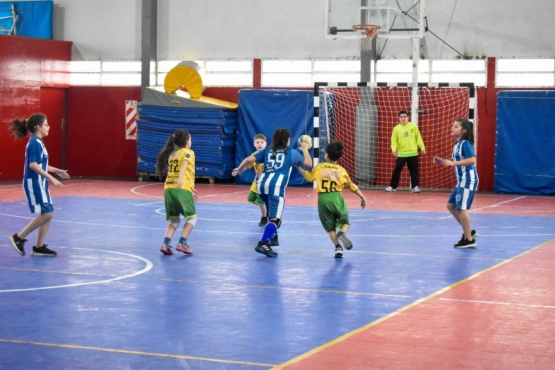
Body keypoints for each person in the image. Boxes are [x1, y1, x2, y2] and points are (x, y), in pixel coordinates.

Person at [232, 128, 312, 257]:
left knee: (270, 213)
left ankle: (273, 237)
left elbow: (248, 159)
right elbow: (308, 163)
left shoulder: (266, 151)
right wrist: (305, 150)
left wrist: (239, 169)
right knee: (275, 220)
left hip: (261, 185)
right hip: (276, 187)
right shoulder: (291, 153)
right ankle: (263, 243)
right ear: (288, 140)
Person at [7, 113, 70, 257]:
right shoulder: (35, 142)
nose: (49, 127)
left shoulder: (38, 142)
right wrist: (52, 178)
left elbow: (42, 165)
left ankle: (39, 247)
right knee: (47, 213)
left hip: (40, 182)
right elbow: (33, 165)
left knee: (48, 213)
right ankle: (18, 238)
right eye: (46, 124)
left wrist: (56, 171)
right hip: (34, 182)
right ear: (38, 127)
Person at [297, 141, 367, 258]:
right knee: (345, 222)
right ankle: (343, 233)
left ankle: (338, 248)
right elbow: (351, 186)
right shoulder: (341, 170)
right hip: (336, 198)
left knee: (330, 227)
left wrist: (299, 167)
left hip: (323, 200)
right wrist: (362, 197)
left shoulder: (319, 167)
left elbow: (309, 177)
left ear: (326, 155)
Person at [434, 118, 479, 248]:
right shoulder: (457, 144)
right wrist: (443, 160)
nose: (452, 128)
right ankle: (469, 231)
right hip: (461, 181)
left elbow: (472, 160)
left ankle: (469, 239)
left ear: (463, 130)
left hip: (468, 180)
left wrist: (453, 163)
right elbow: (456, 159)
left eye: (456, 126)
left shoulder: (465, 143)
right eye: (453, 125)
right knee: (451, 206)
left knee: (461, 208)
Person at [155, 129, 198, 256]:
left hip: (168, 188)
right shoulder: (188, 152)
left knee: (174, 221)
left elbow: (175, 171)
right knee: (192, 218)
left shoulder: (172, 155)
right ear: (186, 142)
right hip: (180, 187)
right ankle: (182, 243)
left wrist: (190, 187)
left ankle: (165, 243)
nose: (191, 141)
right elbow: (184, 165)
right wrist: (181, 181)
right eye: (190, 138)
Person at [386, 110, 426, 193]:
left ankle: (415, 187)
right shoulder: (396, 128)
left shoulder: (413, 126)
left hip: (413, 153)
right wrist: (394, 149)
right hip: (401, 154)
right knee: (397, 170)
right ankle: (392, 187)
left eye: (405, 117)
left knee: (414, 171)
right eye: (401, 117)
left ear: (408, 118)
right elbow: (394, 141)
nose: (403, 118)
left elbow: (418, 138)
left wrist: (422, 148)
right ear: (399, 119)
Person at [245, 134, 268, 226]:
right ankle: (266, 206)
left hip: (264, 183)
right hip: (256, 181)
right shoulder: (254, 155)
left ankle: (264, 217)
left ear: (265, 144)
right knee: (250, 199)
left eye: (262, 142)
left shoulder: (267, 155)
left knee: (260, 202)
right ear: (254, 144)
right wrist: (239, 170)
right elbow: (247, 165)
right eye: (257, 142)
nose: (260, 144)